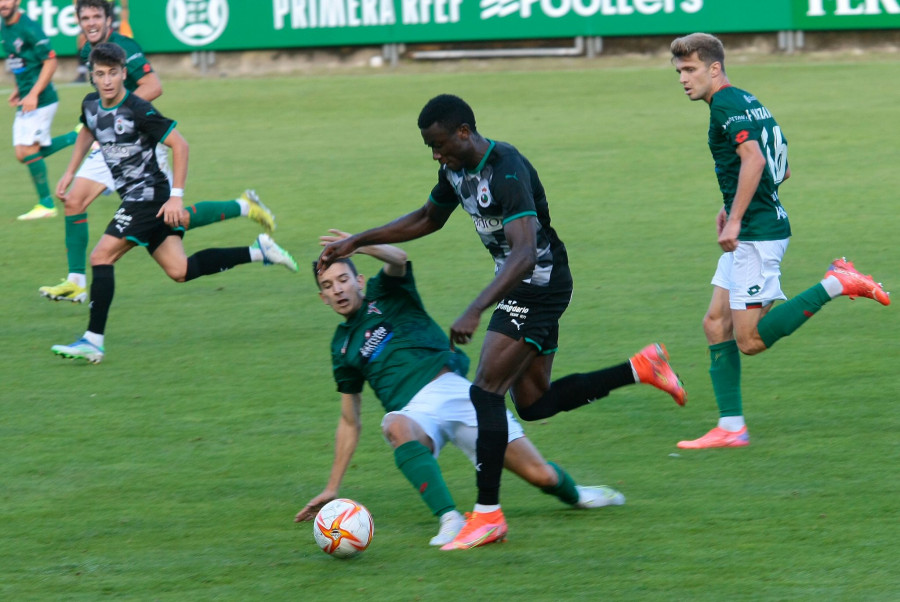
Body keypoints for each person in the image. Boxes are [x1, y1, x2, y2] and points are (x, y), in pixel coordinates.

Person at [317, 94, 686, 550]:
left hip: (539, 282)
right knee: (533, 402)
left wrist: (476, 308)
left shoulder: (505, 167)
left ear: (464, 132)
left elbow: (526, 252)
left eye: (439, 145)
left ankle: (487, 515)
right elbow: (428, 217)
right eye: (430, 148)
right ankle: (641, 367)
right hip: (520, 283)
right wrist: (359, 240)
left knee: (484, 391)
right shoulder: (455, 169)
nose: (436, 155)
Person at [297, 230, 628, 547]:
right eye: (328, 286)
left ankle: (580, 495)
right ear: (322, 298)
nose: (338, 290)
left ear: (358, 281)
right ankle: (450, 518)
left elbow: (398, 257)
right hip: (415, 415)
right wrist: (332, 487)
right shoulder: (341, 347)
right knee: (394, 425)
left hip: (456, 393)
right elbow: (349, 420)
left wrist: (360, 244)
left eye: (342, 279)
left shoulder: (386, 293)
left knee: (541, 476)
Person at [669, 33, 890, 450]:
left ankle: (837, 282)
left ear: (714, 68)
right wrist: (732, 204)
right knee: (715, 324)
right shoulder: (749, 101)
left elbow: (754, 159)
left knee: (749, 340)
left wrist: (735, 219)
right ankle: (731, 427)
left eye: (690, 69)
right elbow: (781, 167)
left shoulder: (727, 106)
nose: (683, 78)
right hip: (755, 224)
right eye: (679, 71)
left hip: (756, 235)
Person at [50, 42, 298, 364]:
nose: (107, 80)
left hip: (148, 196)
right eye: (100, 74)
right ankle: (259, 251)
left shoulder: (138, 109)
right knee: (180, 270)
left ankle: (93, 341)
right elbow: (88, 128)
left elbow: (180, 145)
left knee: (101, 256)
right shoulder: (91, 104)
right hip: (136, 197)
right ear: (92, 77)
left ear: (124, 73)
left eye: (113, 73)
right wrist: (70, 171)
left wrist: (176, 196)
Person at [40, 0, 274, 304]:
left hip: (137, 143)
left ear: (109, 18)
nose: (91, 22)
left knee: (173, 219)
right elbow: (91, 114)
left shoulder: (124, 46)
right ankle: (76, 281)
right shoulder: (87, 47)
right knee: (74, 200)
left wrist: (116, 119)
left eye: (97, 16)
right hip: (112, 142)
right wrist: (74, 165)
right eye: (85, 17)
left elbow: (153, 85)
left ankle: (242, 206)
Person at [1, 0, 78, 220]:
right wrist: (18, 89)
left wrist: (34, 93)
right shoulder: (4, 27)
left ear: (17, 1)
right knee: (21, 154)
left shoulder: (29, 27)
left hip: (41, 99)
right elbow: (20, 60)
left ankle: (46, 204)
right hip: (26, 97)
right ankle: (77, 136)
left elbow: (50, 61)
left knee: (28, 151)